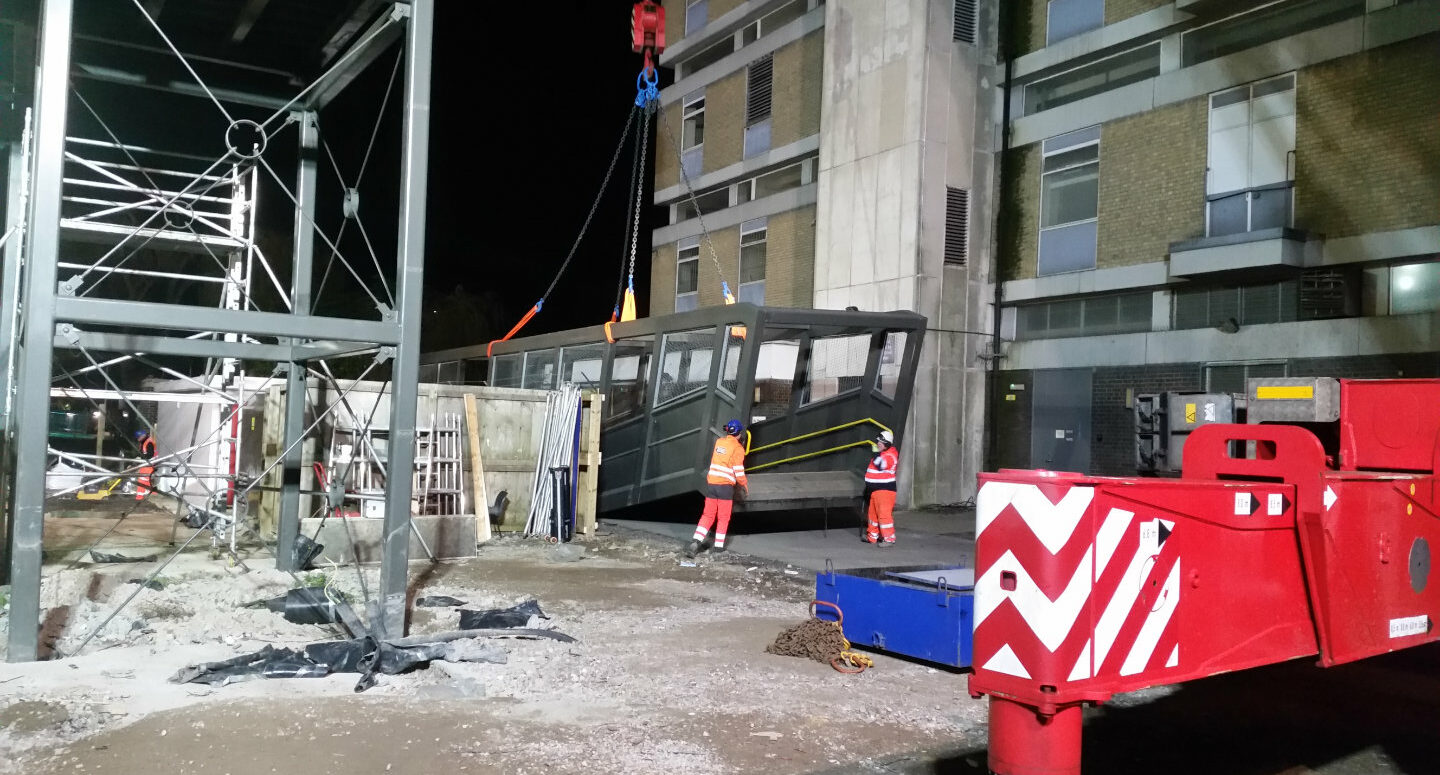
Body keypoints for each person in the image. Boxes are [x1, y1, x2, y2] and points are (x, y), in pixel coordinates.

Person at [685, 419, 748, 558]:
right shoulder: (738, 449)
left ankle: (696, 541)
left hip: (712, 485)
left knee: (708, 515)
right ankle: (718, 548)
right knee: (723, 517)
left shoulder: (719, 443)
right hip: (725, 488)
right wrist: (744, 485)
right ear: (738, 433)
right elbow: (738, 471)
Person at [864, 430, 899, 546]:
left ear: (887, 444)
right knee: (872, 515)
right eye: (878, 442)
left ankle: (889, 539)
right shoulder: (882, 454)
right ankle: (872, 536)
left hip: (885, 491)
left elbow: (881, 465)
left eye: (881, 443)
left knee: (884, 515)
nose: (878, 444)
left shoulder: (891, 455)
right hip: (875, 491)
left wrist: (875, 453)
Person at [135, 429, 156, 501]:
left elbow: (150, 454)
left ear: (143, 436)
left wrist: (140, 458)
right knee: (147, 479)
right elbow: (142, 453)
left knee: (142, 479)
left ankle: (139, 496)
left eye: (138, 437)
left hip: (149, 464)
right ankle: (153, 492)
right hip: (146, 464)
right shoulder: (144, 442)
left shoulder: (149, 443)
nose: (138, 439)